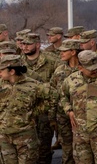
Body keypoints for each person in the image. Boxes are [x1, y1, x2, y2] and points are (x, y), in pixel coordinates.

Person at [0, 55, 55, 164]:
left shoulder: (32, 85)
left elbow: (53, 96)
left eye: (1, 70)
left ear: (12, 71)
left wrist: (35, 111)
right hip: (4, 136)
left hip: (25, 136)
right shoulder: (1, 85)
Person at [20, 32, 58, 164]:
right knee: (26, 148)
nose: (24, 47)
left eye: (28, 44)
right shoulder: (18, 62)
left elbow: (59, 83)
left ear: (37, 44)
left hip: (44, 109)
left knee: (44, 145)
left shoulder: (51, 60)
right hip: (24, 109)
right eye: (23, 44)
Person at [49, 39, 82, 164]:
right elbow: (52, 91)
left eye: (64, 51)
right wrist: (52, 115)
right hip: (63, 114)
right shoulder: (59, 70)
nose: (61, 53)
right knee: (66, 143)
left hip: (82, 113)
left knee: (82, 145)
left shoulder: (85, 69)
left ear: (73, 52)